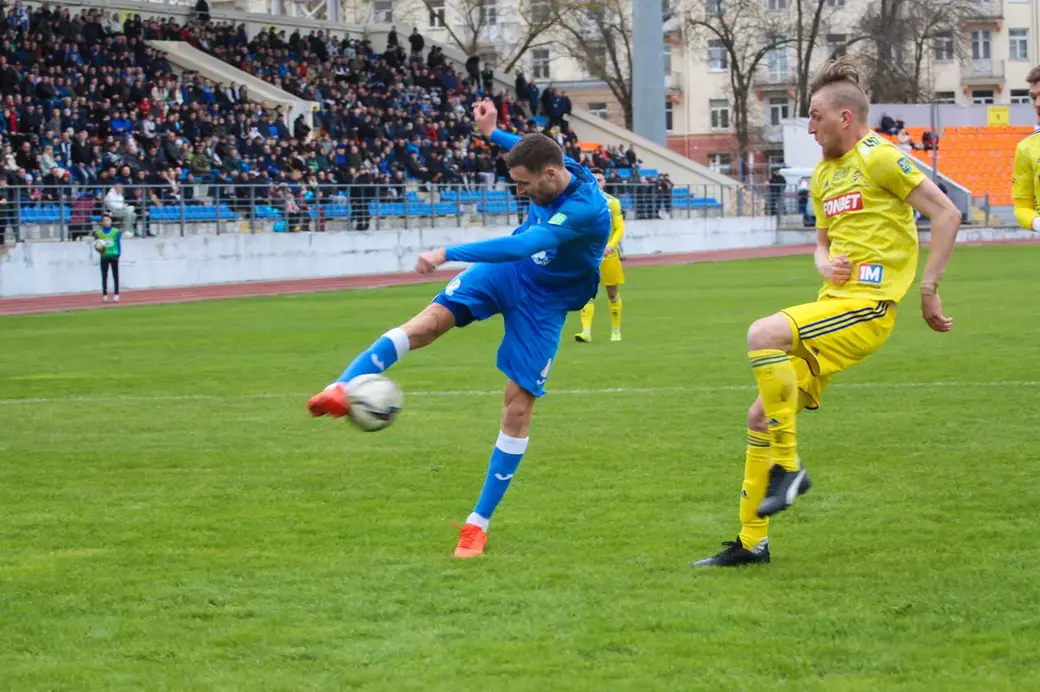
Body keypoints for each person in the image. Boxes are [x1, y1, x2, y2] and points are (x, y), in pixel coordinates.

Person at [306, 98, 611, 559]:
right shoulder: (556, 165)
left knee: (517, 408)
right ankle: (341, 387)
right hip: (509, 272)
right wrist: (492, 134)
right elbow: (529, 148)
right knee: (428, 323)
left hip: (544, 301)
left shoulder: (586, 209)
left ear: (550, 175)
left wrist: (448, 252)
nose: (520, 192)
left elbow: (524, 244)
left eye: (524, 185)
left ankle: (476, 525)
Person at [692, 56, 962, 568]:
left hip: (868, 307)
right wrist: (826, 262)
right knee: (759, 416)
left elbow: (947, 213)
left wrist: (929, 289)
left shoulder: (880, 158)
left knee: (762, 333)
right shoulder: (823, 174)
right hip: (833, 303)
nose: (810, 127)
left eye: (815, 117)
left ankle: (790, 468)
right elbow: (820, 245)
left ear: (845, 117)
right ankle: (752, 544)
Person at [575, 168, 625, 343]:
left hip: (608, 255)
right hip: (588, 255)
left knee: (612, 293)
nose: (597, 182)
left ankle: (616, 330)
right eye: (594, 179)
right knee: (586, 293)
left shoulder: (612, 202)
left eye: (600, 179)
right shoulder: (581, 202)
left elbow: (619, 228)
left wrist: (610, 246)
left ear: (605, 182)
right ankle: (586, 332)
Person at [1012, 64, 1040, 233]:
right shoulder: (1026, 147)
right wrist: (1038, 222)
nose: (1037, 104)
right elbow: (1022, 207)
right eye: (1034, 97)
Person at [95, 213, 122, 303]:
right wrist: (100, 251)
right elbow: (97, 245)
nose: (106, 222)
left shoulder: (116, 232)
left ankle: (116, 294)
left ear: (111, 221)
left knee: (115, 275)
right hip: (104, 256)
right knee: (104, 276)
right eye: (104, 220)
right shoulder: (99, 233)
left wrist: (118, 254)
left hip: (113, 255)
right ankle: (105, 294)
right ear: (102, 222)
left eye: (107, 220)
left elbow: (118, 243)